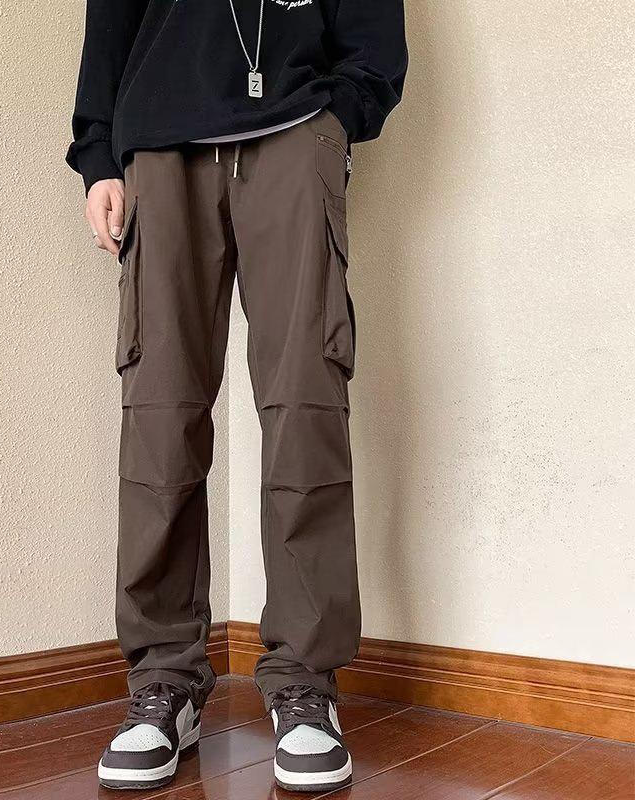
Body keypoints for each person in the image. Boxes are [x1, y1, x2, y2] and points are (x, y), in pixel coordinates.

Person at [67, 0, 407, 792]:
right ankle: (165, 682)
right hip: (159, 143)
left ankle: (305, 684)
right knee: (160, 416)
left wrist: (335, 119)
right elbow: (111, 17)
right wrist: (99, 157)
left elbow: (374, 34)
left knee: (305, 403)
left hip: (294, 129)